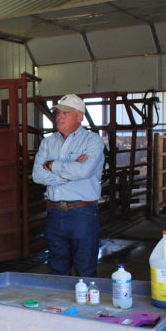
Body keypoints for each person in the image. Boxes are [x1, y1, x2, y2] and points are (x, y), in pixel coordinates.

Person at [32, 94, 105, 277]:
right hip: (55, 212)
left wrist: (52, 165)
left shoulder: (92, 140)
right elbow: (37, 175)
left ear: (80, 116)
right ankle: (60, 305)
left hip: (82, 213)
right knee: (57, 267)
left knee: (85, 268)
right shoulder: (48, 142)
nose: (59, 116)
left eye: (66, 112)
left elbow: (84, 172)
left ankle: (85, 305)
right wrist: (72, 170)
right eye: (58, 112)